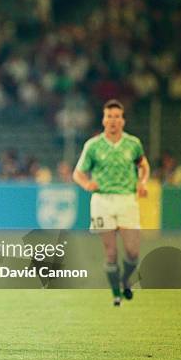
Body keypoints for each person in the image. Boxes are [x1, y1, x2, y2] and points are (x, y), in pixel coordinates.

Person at [73, 99, 150, 306]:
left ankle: (125, 279)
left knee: (133, 252)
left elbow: (144, 165)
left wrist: (142, 183)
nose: (113, 120)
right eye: (109, 116)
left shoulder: (133, 143)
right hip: (102, 201)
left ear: (122, 121)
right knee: (111, 251)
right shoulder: (93, 146)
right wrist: (87, 184)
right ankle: (116, 293)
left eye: (117, 117)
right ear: (104, 120)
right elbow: (77, 173)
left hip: (127, 200)